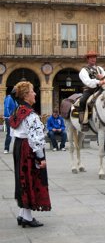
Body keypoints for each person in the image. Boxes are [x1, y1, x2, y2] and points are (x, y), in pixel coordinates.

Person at [9, 81, 51, 227]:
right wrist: (41, 157)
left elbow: (13, 132)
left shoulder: (17, 111)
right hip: (28, 149)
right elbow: (35, 138)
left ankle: (22, 214)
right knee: (29, 179)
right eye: (32, 91)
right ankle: (27, 217)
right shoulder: (31, 114)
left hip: (19, 147)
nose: (35, 93)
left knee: (22, 180)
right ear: (26, 95)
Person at [79, 50, 105, 131]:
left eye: (94, 57)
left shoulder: (100, 69)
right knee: (83, 100)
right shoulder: (83, 70)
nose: (93, 59)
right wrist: (98, 81)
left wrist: (103, 77)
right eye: (91, 58)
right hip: (90, 90)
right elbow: (88, 82)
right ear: (87, 59)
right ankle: (83, 121)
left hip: (101, 89)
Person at [3, 89, 18, 154]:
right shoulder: (9, 98)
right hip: (9, 118)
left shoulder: (14, 99)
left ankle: (16, 148)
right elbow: (6, 107)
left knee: (16, 133)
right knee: (9, 133)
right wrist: (9, 116)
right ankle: (6, 148)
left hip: (14, 118)